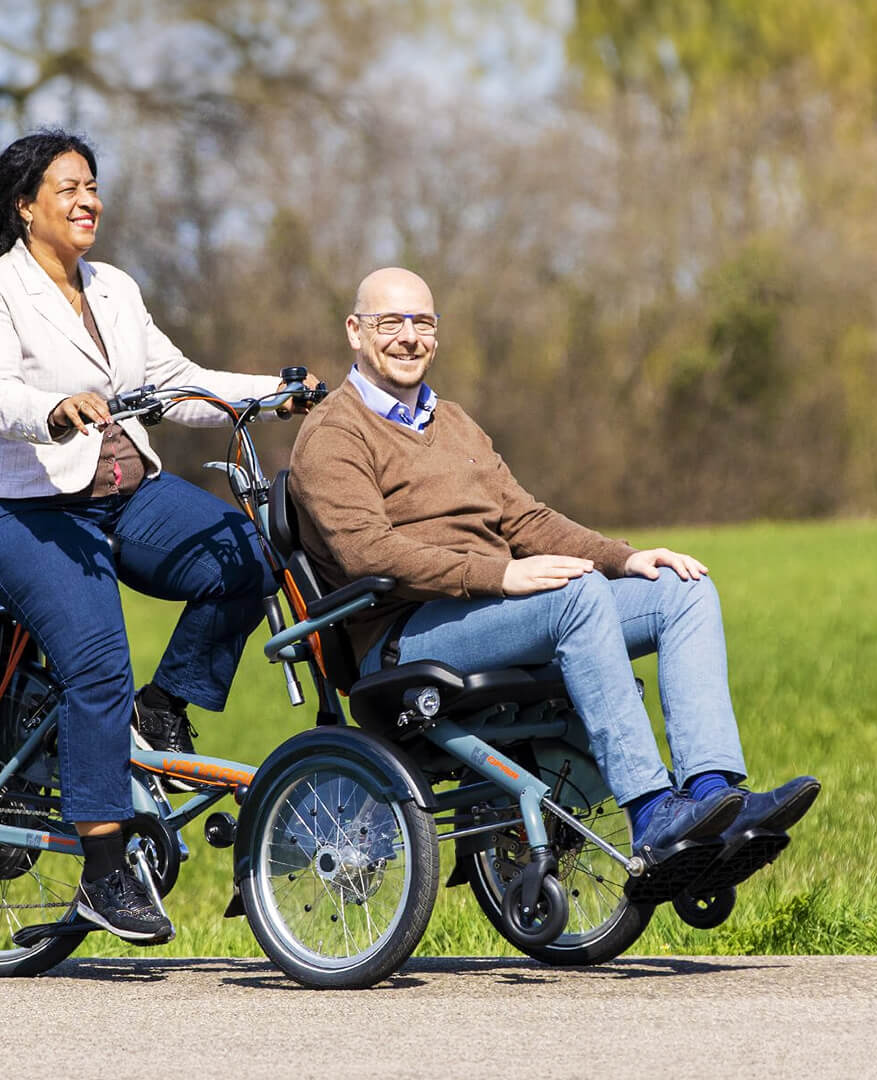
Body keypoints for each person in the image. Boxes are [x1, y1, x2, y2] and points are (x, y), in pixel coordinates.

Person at [289, 266, 819, 889]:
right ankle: (652, 811)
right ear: (356, 332)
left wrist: (625, 558)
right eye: (390, 322)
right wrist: (499, 576)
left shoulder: (454, 422)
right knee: (575, 596)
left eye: (423, 323)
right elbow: (367, 554)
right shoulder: (333, 433)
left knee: (684, 590)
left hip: (489, 610)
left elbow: (526, 518)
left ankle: (712, 797)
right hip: (403, 635)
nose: (409, 337)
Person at [0, 129, 316, 943]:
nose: (88, 201)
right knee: (95, 658)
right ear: (24, 205)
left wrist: (272, 394)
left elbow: (176, 383)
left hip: (122, 494)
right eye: (69, 188)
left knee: (251, 556)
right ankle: (105, 873)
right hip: (18, 506)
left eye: (94, 187)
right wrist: (53, 409)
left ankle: (164, 706)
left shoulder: (113, 287)